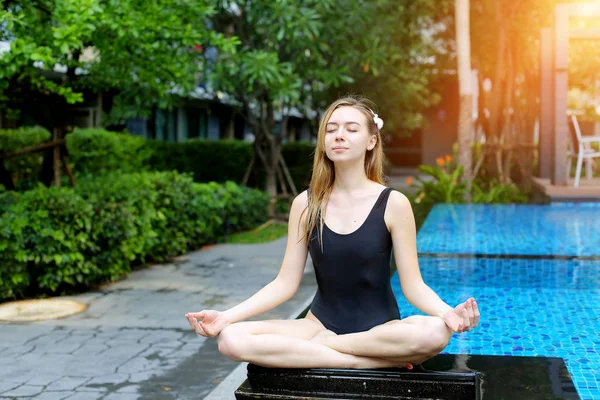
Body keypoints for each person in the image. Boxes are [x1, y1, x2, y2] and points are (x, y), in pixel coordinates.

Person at [185, 96, 480, 369]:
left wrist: (447, 313)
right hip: (317, 325)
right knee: (230, 338)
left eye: (351, 129)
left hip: (380, 330)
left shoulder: (393, 204)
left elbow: (413, 286)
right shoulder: (305, 204)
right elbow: (285, 284)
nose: (339, 135)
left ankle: (329, 349)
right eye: (331, 129)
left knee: (435, 332)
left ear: (371, 141)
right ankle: (366, 363)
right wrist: (226, 316)